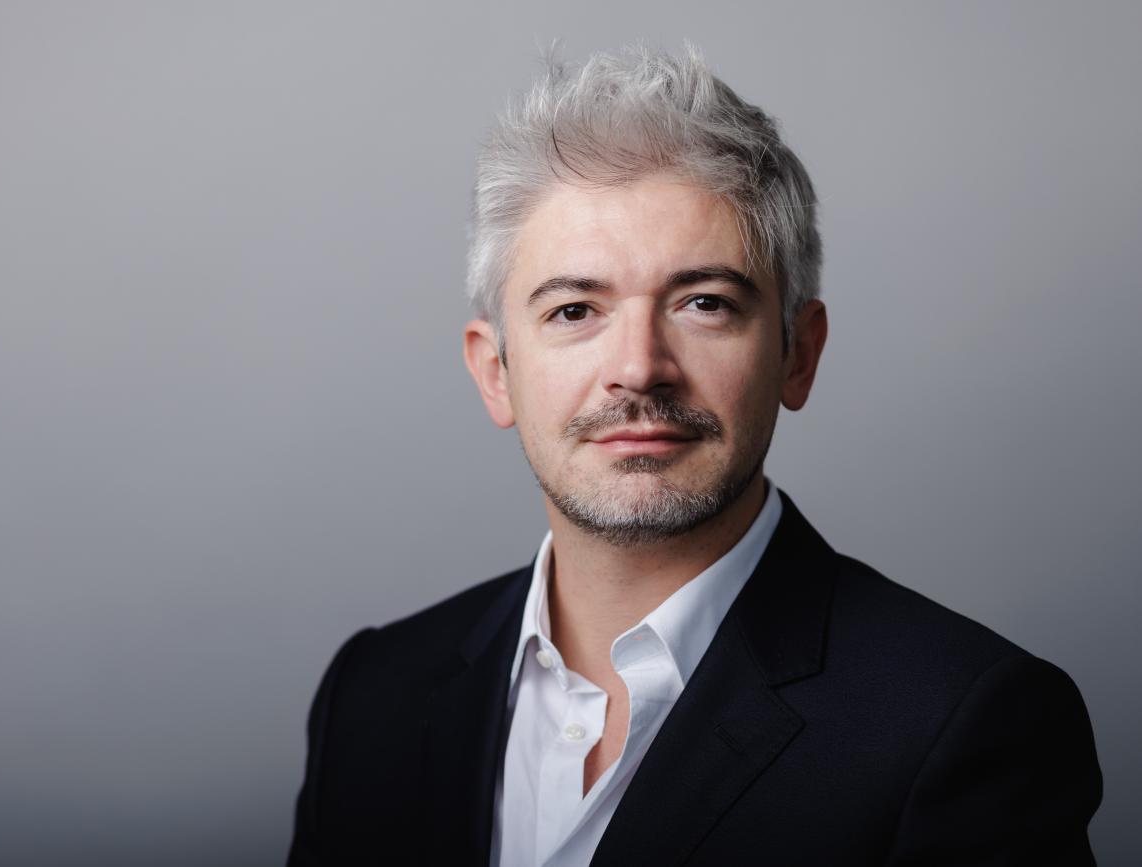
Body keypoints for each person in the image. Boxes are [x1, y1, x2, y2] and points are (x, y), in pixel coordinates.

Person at [287, 45, 1102, 866]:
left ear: (798, 355)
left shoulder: (963, 723)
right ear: (495, 372)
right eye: (575, 310)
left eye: (704, 302)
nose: (639, 367)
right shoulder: (373, 696)